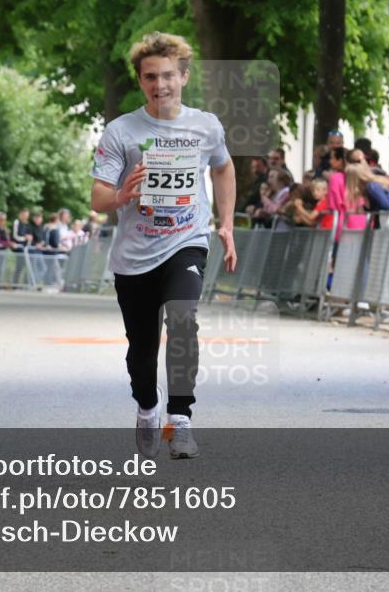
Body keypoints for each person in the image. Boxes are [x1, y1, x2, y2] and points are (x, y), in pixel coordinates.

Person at [89, 32, 236, 460]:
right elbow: (97, 196)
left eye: (168, 75)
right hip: (135, 254)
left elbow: (224, 171)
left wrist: (225, 224)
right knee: (142, 347)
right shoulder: (121, 131)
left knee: (184, 321)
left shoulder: (206, 126)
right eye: (151, 77)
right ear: (140, 81)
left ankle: (181, 420)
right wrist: (120, 195)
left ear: (184, 76)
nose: (160, 85)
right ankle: (148, 407)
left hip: (187, 242)